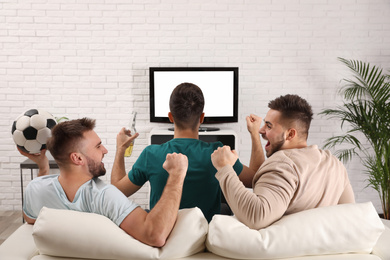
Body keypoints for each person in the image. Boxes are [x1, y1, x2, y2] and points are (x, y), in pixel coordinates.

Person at [20, 118, 188, 248]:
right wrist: (176, 175)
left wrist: (43, 168)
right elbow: (155, 235)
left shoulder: (35, 188)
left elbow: (31, 219)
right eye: (98, 146)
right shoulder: (105, 196)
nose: (105, 150)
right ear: (77, 158)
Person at [111, 82, 264, 222]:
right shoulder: (218, 154)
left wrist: (120, 150)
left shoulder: (150, 154)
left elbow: (117, 192)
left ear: (170, 117)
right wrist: (254, 134)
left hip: (164, 235)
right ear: (202, 118)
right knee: (225, 209)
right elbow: (257, 178)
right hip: (204, 238)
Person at [211, 94, 355, 230]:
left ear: (290, 134)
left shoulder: (283, 164)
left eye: (268, 126)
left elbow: (256, 217)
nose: (262, 130)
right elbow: (349, 212)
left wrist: (225, 168)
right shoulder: (333, 163)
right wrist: (254, 134)